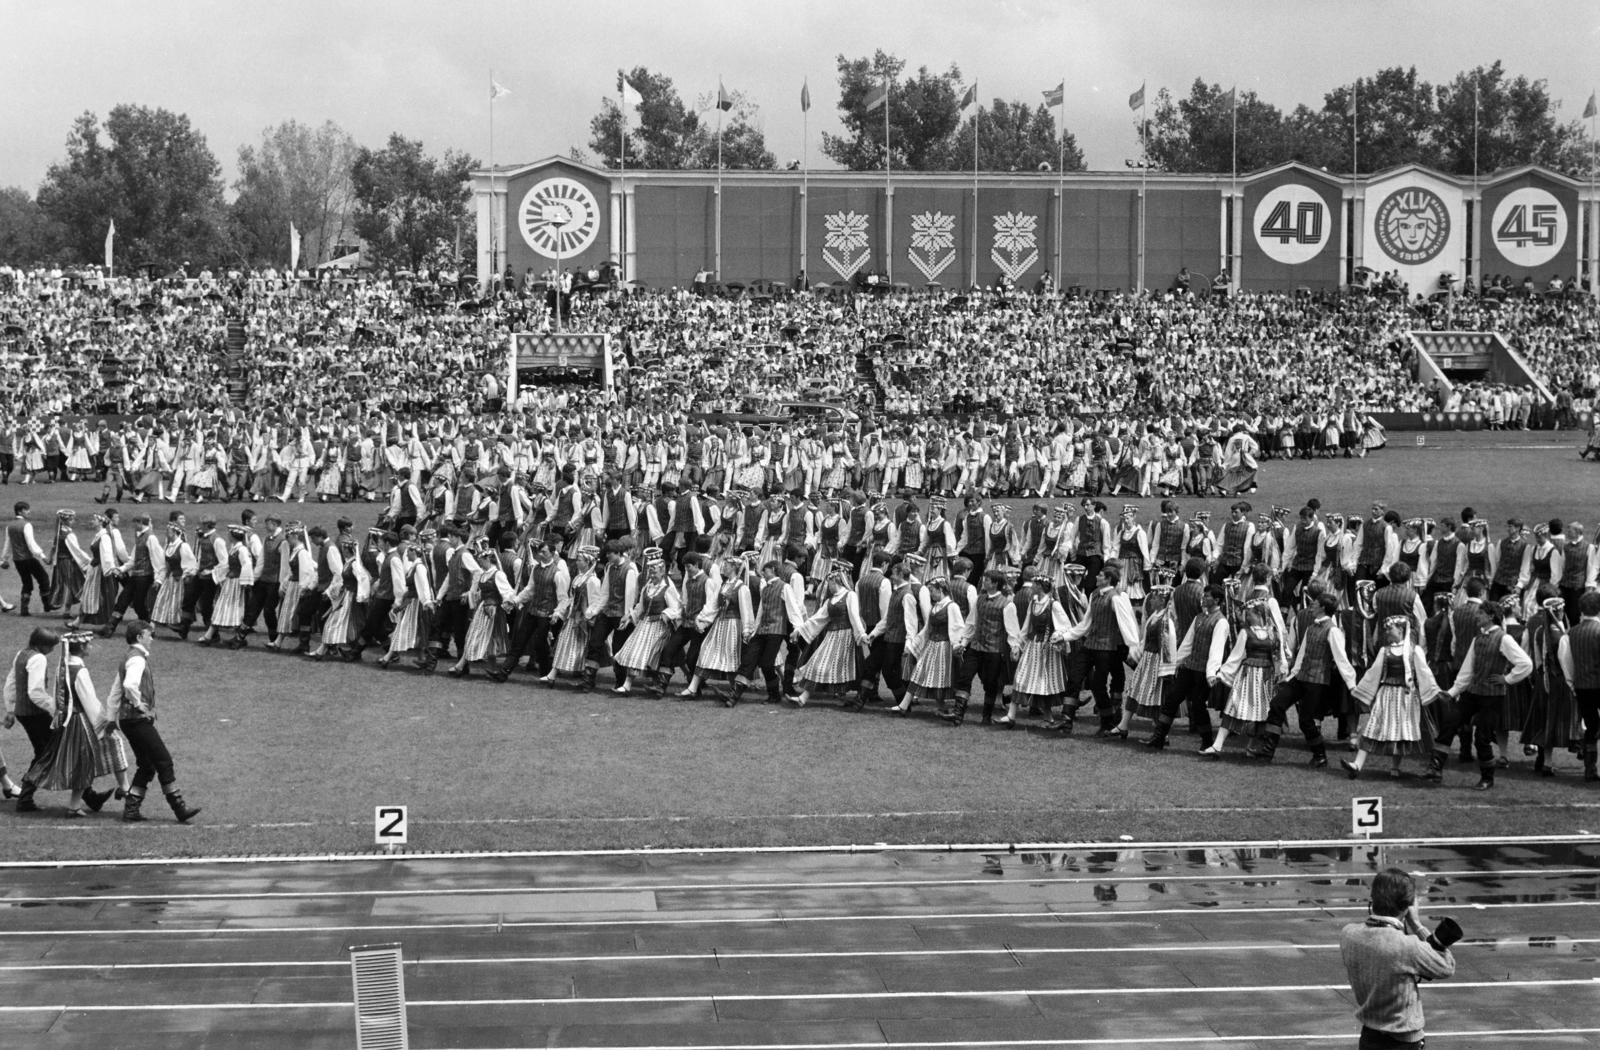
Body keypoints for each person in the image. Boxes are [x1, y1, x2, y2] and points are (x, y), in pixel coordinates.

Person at [1339, 869, 1460, 1050]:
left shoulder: (1348, 934)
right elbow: (1446, 967)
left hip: (1369, 1037)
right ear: (1407, 905)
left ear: (1374, 898)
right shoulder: (1406, 946)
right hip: (1404, 1041)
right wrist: (1417, 925)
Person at [106, 620, 201, 823]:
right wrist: (138, 703)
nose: (152, 639)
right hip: (136, 720)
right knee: (163, 760)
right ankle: (179, 807)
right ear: (139, 637)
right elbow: (129, 685)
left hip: (127, 720)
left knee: (147, 765)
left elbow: (115, 691)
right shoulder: (137, 659)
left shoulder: (128, 657)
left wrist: (112, 717)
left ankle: (131, 809)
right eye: (149, 635)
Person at [4, 626, 60, 810]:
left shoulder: (22, 654)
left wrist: (10, 709)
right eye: (50, 646)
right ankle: (25, 798)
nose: (52, 650)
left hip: (23, 712)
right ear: (41, 644)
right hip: (34, 713)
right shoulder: (38, 658)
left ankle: (89, 795)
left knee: (49, 750)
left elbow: (11, 683)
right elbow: (36, 692)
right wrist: (57, 709)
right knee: (48, 752)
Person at [5, 501, 55, 617]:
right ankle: (47, 604)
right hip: (28, 558)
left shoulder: (9, 526)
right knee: (43, 578)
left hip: (17, 560)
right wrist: (43, 556)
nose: (29, 511)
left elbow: (7, 544)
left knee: (27, 583)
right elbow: (31, 544)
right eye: (26, 510)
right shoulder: (26, 525)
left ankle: (24, 609)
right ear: (20, 511)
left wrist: (5, 559)